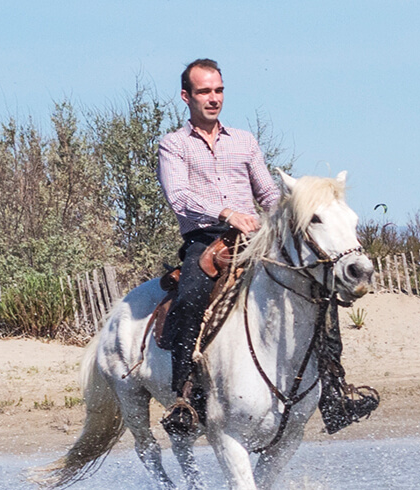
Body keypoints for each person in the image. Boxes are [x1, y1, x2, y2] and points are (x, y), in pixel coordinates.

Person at [155, 58, 281, 435]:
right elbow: (178, 197)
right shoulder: (173, 145)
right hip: (206, 240)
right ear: (186, 96)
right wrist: (227, 213)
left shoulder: (244, 140)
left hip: (254, 239)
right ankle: (183, 395)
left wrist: (288, 216)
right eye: (204, 91)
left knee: (311, 283)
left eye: (219, 90)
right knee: (192, 294)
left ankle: (334, 386)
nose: (213, 99)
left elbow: (267, 191)